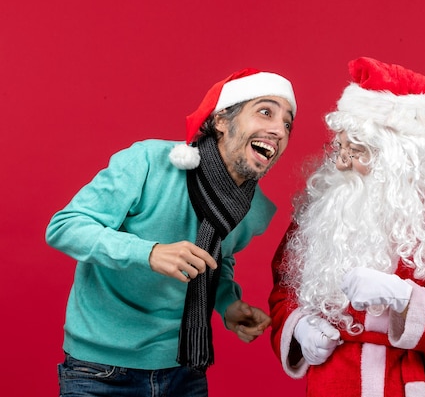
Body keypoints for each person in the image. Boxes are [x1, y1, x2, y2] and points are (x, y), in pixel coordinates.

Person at [46, 67, 297, 397]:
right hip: (100, 371)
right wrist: (150, 253)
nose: (278, 129)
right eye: (266, 112)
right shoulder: (148, 162)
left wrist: (228, 304)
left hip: (184, 370)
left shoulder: (255, 210)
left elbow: (216, 263)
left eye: (288, 123)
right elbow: (65, 227)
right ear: (222, 119)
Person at [269, 57, 425, 397]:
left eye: (357, 150)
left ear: (399, 156)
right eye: (339, 146)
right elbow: (285, 290)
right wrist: (300, 329)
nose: (340, 162)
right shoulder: (325, 203)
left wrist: (404, 298)